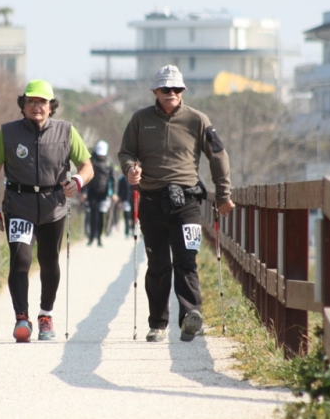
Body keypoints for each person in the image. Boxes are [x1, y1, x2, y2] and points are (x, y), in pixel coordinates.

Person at [118, 65, 235, 343]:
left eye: (176, 88)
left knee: (186, 261)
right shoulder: (140, 119)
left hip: (187, 202)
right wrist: (130, 169)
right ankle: (158, 325)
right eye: (165, 88)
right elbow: (126, 152)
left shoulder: (197, 119)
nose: (171, 93)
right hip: (151, 202)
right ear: (155, 91)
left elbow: (218, 155)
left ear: (183, 90)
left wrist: (223, 195)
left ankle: (190, 315)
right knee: (158, 265)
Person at [0, 80, 93, 342]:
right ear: (23, 105)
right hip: (18, 206)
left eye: (42, 102)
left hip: (53, 207)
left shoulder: (66, 131)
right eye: (31, 101)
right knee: (20, 260)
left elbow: (87, 166)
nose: (36, 106)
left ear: (51, 106)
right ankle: (22, 318)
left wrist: (78, 181)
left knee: (49, 261)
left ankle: (46, 315)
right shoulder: (8, 133)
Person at [82, 140, 116, 247]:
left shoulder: (109, 162)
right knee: (93, 215)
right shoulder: (90, 160)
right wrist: (84, 192)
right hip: (92, 192)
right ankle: (91, 237)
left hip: (104, 194)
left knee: (101, 215)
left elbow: (113, 179)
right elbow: (85, 176)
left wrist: (114, 193)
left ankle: (100, 238)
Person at [117, 174, 134, 239]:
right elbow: (119, 191)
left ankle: (133, 229)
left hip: (133, 200)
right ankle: (127, 232)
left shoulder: (134, 179)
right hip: (125, 200)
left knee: (133, 217)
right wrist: (120, 201)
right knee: (126, 217)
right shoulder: (122, 180)